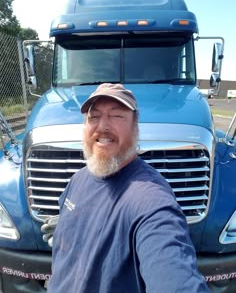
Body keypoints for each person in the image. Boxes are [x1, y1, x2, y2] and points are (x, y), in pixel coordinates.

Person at [43, 83, 210, 293]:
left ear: (135, 126)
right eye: (93, 117)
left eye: (117, 116)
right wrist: (68, 231)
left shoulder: (149, 199)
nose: (102, 126)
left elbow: (174, 275)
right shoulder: (78, 180)